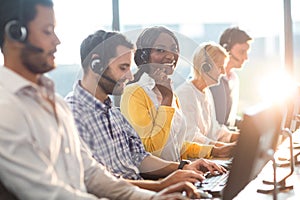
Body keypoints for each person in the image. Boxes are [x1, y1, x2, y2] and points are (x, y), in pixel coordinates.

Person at [0, 0, 202, 199]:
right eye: (47, 31)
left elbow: (91, 173)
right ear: (16, 33)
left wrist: (153, 195)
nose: (57, 41)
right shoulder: (6, 107)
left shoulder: (55, 103)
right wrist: (155, 190)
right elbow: (48, 192)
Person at [65, 29, 226, 192]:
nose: (129, 76)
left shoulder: (112, 113)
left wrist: (183, 166)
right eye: (123, 68)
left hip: (144, 190)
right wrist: (160, 186)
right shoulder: (72, 116)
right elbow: (97, 183)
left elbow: (140, 157)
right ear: (96, 64)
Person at [120, 26, 233, 160]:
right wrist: (167, 99)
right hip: (161, 179)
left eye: (173, 49)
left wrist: (215, 151)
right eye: (161, 50)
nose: (170, 55)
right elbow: (151, 151)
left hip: (177, 172)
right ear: (144, 56)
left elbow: (175, 146)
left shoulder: (169, 92)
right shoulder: (134, 93)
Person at [176, 42, 239, 147]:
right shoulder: (185, 94)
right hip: (191, 160)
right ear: (205, 67)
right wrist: (220, 148)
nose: (223, 72)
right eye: (220, 67)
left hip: (206, 155)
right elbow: (191, 137)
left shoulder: (206, 92)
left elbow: (214, 131)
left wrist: (241, 137)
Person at [210, 27, 252, 127]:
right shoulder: (211, 80)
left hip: (227, 138)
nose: (246, 58)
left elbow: (228, 120)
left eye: (247, 52)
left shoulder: (234, 79)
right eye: (242, 52)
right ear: (226, 49)